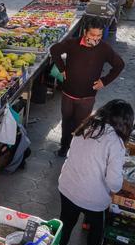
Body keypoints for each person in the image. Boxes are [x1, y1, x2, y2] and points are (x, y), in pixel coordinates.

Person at [56, 99, 134, 245]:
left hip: (67, 186)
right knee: (97, 226)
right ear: (125, 123)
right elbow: (113, 183)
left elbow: (73, 154)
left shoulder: (87, 125)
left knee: (66, 224)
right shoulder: (116, 142)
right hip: (93, 198)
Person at [50, 18, 125, 156]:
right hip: (68, 94)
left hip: (87, 97)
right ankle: (64, 147)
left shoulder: (104, 49)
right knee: (66, 122)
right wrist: (62, 68)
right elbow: (54, 50)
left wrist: (104, 81)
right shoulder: (72, 44)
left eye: (99, 36)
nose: (95, 39)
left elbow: (119, 65)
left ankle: (76, 151)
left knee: (81, 125)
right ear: (85, 32)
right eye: (92, 35)